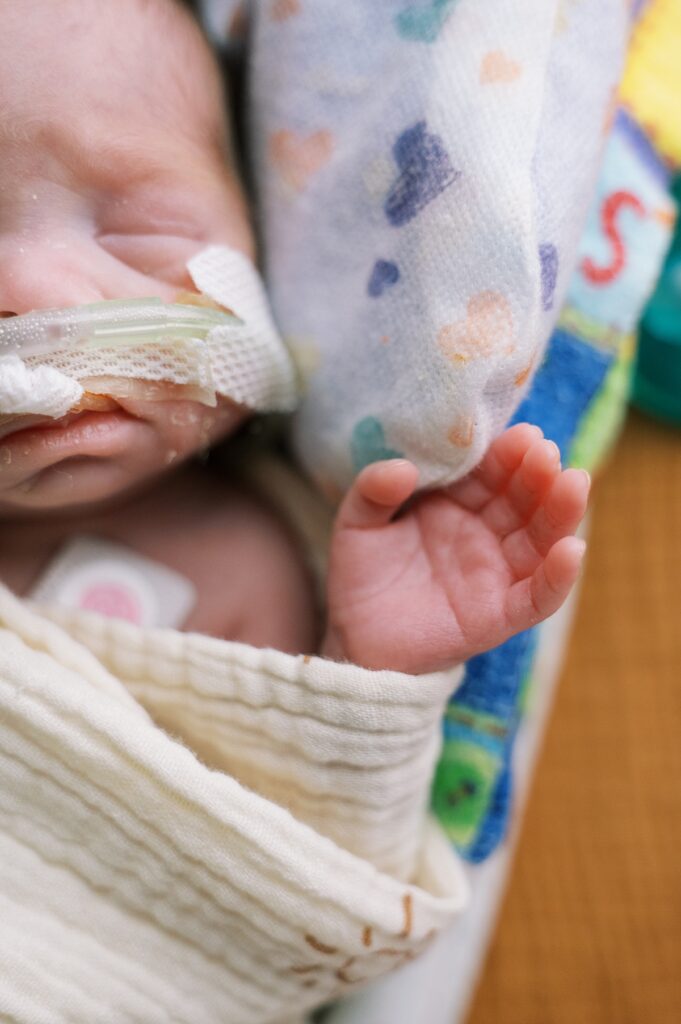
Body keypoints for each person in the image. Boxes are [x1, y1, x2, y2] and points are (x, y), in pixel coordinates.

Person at [0, 0, 589, 674]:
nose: (31, 300)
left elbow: (306, 784)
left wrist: (368, 664)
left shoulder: (256, 559)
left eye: (135, 232)